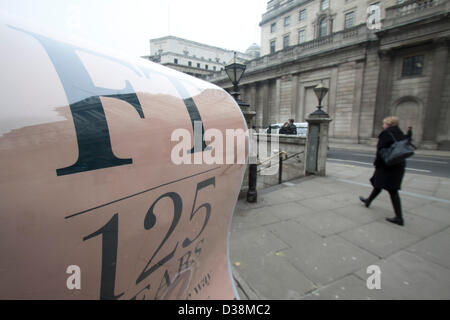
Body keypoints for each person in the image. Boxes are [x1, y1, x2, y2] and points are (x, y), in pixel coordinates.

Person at [359, 116, 406, 226]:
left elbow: (380, 151)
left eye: (384, 123)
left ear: (388, 124)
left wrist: (377, 164)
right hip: (398, 165)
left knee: (392, 190)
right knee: (378, 184)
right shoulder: (400, 133)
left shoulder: (386, 133)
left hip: (387, 166)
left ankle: (399, 218)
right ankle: (368, 201)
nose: (383, 125)